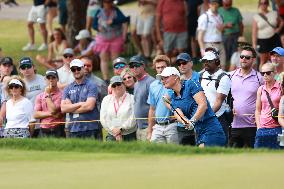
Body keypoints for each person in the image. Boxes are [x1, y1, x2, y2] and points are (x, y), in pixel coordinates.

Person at [161, 67, 226, 147]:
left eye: (166, 77)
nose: (163, 81)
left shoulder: (191, 84)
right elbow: (179, 115)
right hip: (199, 132)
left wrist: (192, 121)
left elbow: (203, 105)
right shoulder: (174, 98)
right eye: (162, 78)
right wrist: (186, 122)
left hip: (212, 129)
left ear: (176, 77)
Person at [230, 46, 264, 148]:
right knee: (233, 157)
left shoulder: (260, 78)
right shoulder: (230, 76)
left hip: (252, 125)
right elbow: (222, 97)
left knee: (254, 157)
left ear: (253, 60)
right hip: (233, 124)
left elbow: (265, 99)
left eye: (247, 57)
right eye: (242, 56)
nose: (244, 59)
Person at [61, 59, 100, 138]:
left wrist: (71, 108)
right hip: (73, 128)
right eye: (73, 69)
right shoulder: (67, 88)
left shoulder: (91, 85)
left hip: (90, 128)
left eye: (78, 68)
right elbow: (63, 108)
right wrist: (80, 104)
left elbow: (89, 106)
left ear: (83, 68)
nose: (76, 71)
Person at [92, 0, 129, 82]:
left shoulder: (116, 10)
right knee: (104, 59)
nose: (108, 4)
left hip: (115, 38)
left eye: (109, 2)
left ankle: (117, 78)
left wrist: (113, 21)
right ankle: (106, 79)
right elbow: (94, 24)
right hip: (102, 38)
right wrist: (98, 28)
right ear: (103, 3)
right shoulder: (99, 11)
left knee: (115, 60)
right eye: (106, 2)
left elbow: (124, 19)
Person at [200, 51, 232, 143]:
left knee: (219, 146)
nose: (206, 63)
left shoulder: (223, 77)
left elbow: (218, 101)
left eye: (209, 61)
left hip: (219, 118)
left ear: (217, 62)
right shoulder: (202, 75)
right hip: (203, 117)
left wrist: (206, 116)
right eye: (204, 61)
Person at [147, 55, 178, 144]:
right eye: (158, 67)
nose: (160, 69)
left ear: (168, 67)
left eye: (163, 67)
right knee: (156, 153)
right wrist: (150, 131)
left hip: (172, 125)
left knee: (173, 154)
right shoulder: (153, 85)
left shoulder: (175, 82)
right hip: (157, 126)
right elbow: (152, 109)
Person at [100, 76, 137, 141]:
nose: (116, 87)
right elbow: (103, 118)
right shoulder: (106, 99)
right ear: (111, 87)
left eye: (118, 84)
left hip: (129, 135)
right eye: (114, 85)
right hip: (112, 134)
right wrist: (113, 129)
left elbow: (133, 117)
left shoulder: (132, 98)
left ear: (124, 84)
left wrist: (121, 128)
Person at [255, 63, 282, 149]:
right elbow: (258, 110)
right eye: (263, 73)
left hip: (278, 127)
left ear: (275, 72)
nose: (265, 75)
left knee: (278, 155)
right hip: (263, 128)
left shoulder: (281, 87)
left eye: (268, 73)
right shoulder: (261, 89)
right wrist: (259, 127)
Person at [129, 55, 155, 141]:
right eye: (131, 66)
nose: (134, 68)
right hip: (139, 127)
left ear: (143, 66)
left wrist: (150, 129)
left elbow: (154, 107)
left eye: (136, 65)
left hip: (148, 127)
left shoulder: (151, 82)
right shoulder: (136, 84)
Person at [19, 57, 46, 137]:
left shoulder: (43, 80)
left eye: (28, 66)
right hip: (26, 122)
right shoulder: (19, 85)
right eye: (23, 67)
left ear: (34, 67)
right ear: (20, 70)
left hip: (42, 121)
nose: (26, 69)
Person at [252, 0, 283, 69]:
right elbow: (254, 32)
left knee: (276, 60)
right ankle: (262, 77)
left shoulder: (274, 13)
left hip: (274, 39)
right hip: (262, 40)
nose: (263, 5)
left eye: (265, 3)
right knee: (263, 60)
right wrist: (254, 44)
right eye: (262, 3)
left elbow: (281, 22)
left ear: (268, 4)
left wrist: (278, 29)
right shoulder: (256, 16)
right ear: (259, 4)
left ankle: (277, 77)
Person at [34, 69, 65, 137]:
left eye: (53, 77)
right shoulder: (40, 96)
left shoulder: (62, 94)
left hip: (57, 128)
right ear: (45, 79)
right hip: (43, 129)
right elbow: (36, 114)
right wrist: (53, 114)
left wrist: (48, 94)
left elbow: (53, 110)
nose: (51, 80)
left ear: (57, 79)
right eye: (48, 78)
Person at [197, 0, 226, 69]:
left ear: (218, 5)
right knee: (209, 68)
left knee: (222, 66)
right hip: (209, 45)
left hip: (220, 44)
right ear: (209, 4)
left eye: (216, 3)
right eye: (213, 4)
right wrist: (202, 50)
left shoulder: (220, 16)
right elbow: (200, 36)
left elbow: (222, 31)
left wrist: (222, 29)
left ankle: (221, 79)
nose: (215, 5)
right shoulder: (204, 17)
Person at [218, 0, 243, 64]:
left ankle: (233, 68)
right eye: (226, 5)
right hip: (224, 35)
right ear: (222, 3)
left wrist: (241, 35)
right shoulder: (219, 10)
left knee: (235, 53)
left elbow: (241, 24)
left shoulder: (236, 10)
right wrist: (225, 25)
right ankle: (225, 68)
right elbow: (216, 25)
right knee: (224, 54)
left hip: (235, 35)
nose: (228, 6)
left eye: (230, 4)